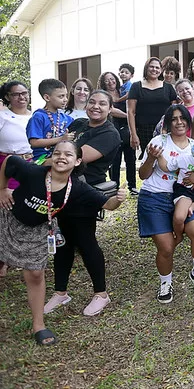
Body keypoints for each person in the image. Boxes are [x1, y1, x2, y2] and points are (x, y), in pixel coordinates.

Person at [0, 142, 126, 344]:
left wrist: (118, 199)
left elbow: (108, 205)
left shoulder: (77, 188)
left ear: (77, 161)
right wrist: (3, 188)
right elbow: (9, 161)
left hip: (36, 229)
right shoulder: (33, 172)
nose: (61, 157)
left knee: (35, 274)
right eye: (57, 153)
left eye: (68, 154)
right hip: (7, 219)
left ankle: (38, 325)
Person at [47, 90, 122, 317]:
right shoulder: (79, 124)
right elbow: (59, 151)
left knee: (86, 242)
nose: (96, 106)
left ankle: (101, 294)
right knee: (62, 244)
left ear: (110, 109)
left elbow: (70, 159)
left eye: (102, 104)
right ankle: (60, 292)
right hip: (60, 190)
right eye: (92, 102)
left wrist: (41, 161)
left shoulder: (109, 133)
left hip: (83, 192)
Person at [138, 105, 194, 302]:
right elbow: (143, 175)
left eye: (183, 118)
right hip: (155, 197)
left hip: (184, 198)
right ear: (168, 123)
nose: (179, 122)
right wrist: (151, 158)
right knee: (166, 247)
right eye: (174, 119)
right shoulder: (158, 142)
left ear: (189, 121)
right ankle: (165, 283)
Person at [127, 57, 178, 155]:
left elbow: (175, 110)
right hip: (144, 130)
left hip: (165, 128)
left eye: (157, 67)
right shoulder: (136, 86)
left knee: (167, 156)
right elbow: (131, 112)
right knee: (149, 158)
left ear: (161, 70)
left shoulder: (168, 87)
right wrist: (133, 134)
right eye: (151, 67)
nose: (154, 69)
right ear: (146, 68)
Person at [99, 72, 137, 195]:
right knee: (115, 160)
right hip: (112, 129)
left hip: (127, 129)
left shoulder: (123, 91)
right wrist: (128, 116)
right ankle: (114, 186)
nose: (110, 82)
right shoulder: (104, 96)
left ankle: (132, 186)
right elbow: (111, 110)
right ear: (103, 83)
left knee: (131, 158)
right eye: (107, 80)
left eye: (112, 79)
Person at [27, 79, 73, 162]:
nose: (65, 99)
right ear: (47, 97)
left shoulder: (66, 118)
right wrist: (61, 139)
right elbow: (34, 142)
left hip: (61, 156)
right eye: (61, 96)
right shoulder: (39, 117)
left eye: (66, 96)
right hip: (41, 158)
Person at [0, 81, 32, 190]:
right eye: (16, 94)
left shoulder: (36, 116)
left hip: (33, 163)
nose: (21, 97)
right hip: (7, 164)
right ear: (7, 97)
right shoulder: (2, 116)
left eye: (24, 93)